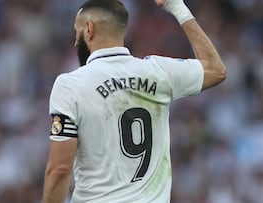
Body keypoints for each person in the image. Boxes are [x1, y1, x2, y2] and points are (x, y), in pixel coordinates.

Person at [42, 0, 226, 202]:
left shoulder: (70, 84)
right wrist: (177, 7)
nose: (76, 42)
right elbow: (215, 69)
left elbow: (59, 170)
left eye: (77, 32)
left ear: (89, 29)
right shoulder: (158, 72)